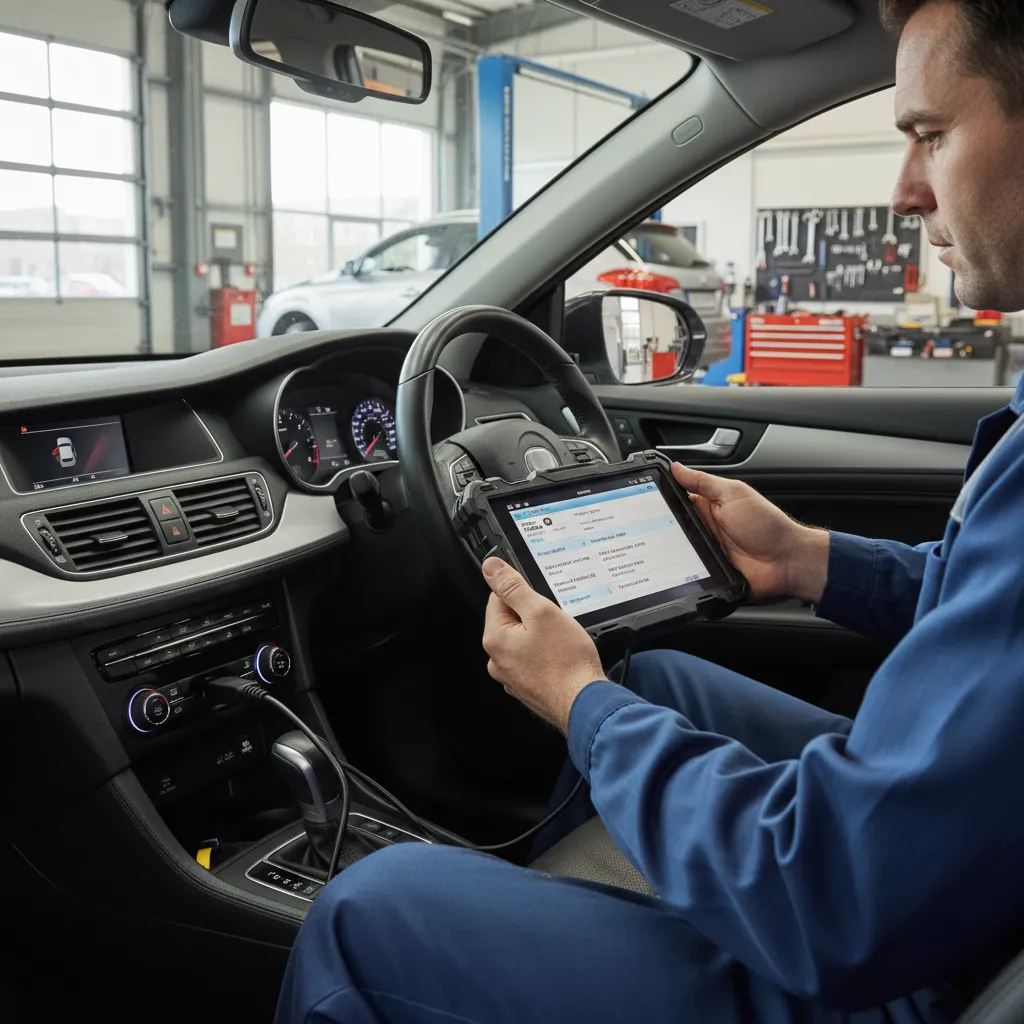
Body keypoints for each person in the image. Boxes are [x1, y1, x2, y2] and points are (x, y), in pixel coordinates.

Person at [274, 1, 1024, 1020]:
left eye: (929, 136)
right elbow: (987, 605)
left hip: (909, 972)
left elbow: (826, 902)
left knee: (369, 912)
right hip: (957, 893)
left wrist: (580, 704)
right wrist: (809, 560)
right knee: (660, 674)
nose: (903, 190)